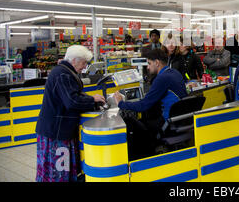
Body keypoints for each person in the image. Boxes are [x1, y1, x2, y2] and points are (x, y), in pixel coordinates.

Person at [35, 45, 106, 182]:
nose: (84, 67)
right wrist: (92, 99)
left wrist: (91, 99)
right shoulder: (63, 74)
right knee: (58, 172)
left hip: (57, 129)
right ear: (74, 60)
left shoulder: (64, 71)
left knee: (59, 171)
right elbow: (72, 101)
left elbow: (71, 95)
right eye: (83, 63)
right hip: (56, 132)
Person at [113, 48, 188, 154]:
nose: (147, 67)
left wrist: (121, 103)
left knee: (136, 125)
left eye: (149, 63)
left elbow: (144, 105)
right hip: (180, 120)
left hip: (169, 122)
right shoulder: (174, 72)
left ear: (157, 63)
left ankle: (145, 156)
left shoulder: (162, 78)